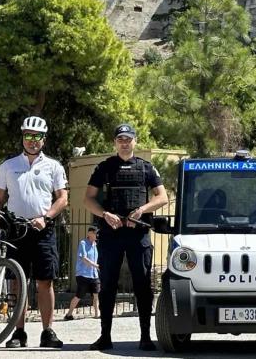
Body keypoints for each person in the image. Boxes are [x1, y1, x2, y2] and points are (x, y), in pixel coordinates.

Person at [84, 123, 169, 351]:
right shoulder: (105, 167)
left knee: (142, 285)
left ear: (135, 141)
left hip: (138, 234)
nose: (124, 143)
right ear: (115, 142)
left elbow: (162, 198)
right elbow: (88, 199)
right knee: (108, 284)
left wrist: (142, 210)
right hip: (111, 235)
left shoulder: (146, 168)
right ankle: (105, 336)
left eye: (128, 139)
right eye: (120, 139)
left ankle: (145, 336)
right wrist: (105, 214)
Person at [0, 116, 69, 348]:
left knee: (45, 282)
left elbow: (63, 198)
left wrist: (45, 218)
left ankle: (48, 331)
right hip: (16, 231)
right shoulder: (8, 166)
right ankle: (18, 333)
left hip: (43, 230)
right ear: (22, 137)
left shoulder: (54, 166)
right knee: (17, 282)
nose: (32, 141)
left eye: (37, 136)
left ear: (43, 140)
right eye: (28, 136)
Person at [64, 227, 100, 321]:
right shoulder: (83, 243)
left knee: (96, 295)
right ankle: (69, 314)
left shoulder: (95, 244)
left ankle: (97, 315)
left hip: (94, 275)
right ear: (90, 233)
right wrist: (95, 265)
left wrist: (96, 267)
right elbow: (84, 258)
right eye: (95, 233)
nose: (97, 235)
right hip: (83, 274)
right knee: (79, 295)